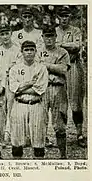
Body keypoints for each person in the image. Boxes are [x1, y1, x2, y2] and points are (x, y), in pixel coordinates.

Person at [9, 41, 49, 159]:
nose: (29, 52)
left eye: (32, 50)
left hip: (36, 103)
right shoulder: (15, 69)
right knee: (17, 140)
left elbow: (40, 89)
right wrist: (30, 84)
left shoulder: (41, 68)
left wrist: (21, 87)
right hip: (19, 104)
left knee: (38, 140)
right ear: (21, 52)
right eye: (26, 50)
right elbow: (13, 89)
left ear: (36, 51)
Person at [55, 6, 86, 148]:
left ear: (70, 17)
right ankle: (63, 135)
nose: (64, 18)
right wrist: (65, 47)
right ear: (58, 17)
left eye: (67, 16)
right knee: (61, 102)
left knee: (76, 101)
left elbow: (76, 47)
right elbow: (51, 47)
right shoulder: (54, 31)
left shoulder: (75, 30)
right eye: (62, 16)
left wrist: (61, 45)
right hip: (59, 68)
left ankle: (79, 133)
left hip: (73, 65)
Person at [38, 27, 70, 159]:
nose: (49, 39)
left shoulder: (62, 52)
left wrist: (46, 65)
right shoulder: (38, 51)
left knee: (60, 124)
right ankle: (39, 157)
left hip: (58, 89)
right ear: (43, 37)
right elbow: (34, 70)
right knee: (40, 122)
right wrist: (53, 67)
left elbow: (63, 69)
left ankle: (63, 156)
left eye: (51, 36)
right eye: (46, 36)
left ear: (56, 37)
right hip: (42, 90)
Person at [0, 24, 21, 143]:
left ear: (11, 33)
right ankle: (0, 133)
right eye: (2, 34)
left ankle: (9, 133)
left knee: (11, 107)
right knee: (0, 107)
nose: (5, 36)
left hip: (12, 81)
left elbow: (19, 67)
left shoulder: (17, 50)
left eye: (6, 33)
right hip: (0, 82)